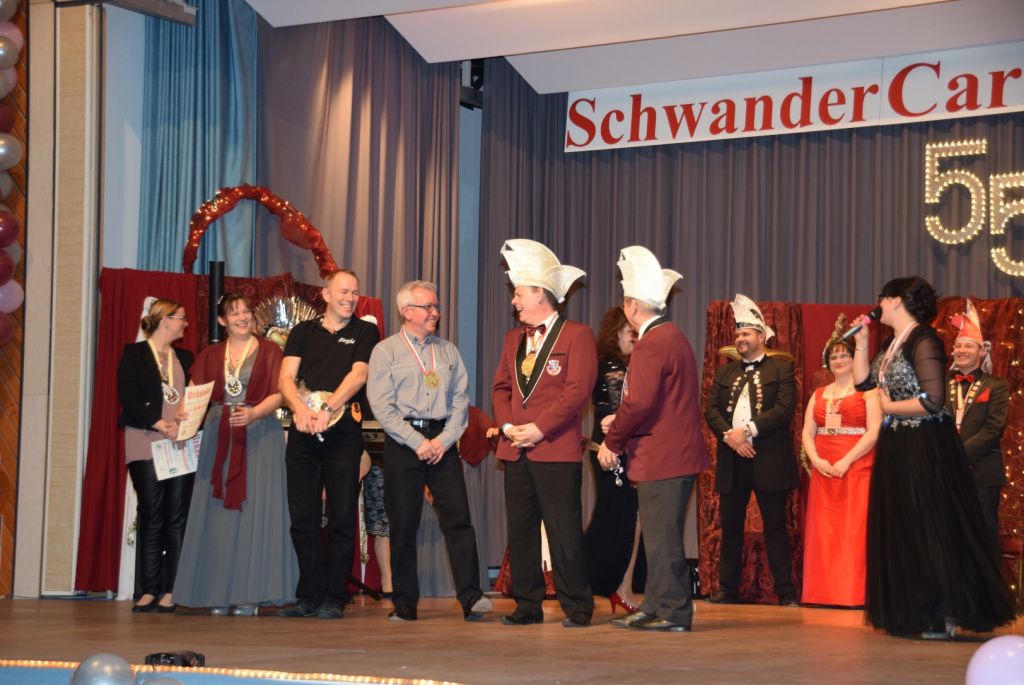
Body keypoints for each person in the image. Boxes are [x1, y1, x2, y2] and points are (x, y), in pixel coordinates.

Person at [853, 276, 1015, 639]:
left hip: (924, 444)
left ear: (896, 300)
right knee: (905, 527)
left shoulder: (923, 338)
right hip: (898, 443)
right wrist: (861, 343)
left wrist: (888, 407)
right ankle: (914, 610)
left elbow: (932, 400)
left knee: (930, 527)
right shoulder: (893, 342)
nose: (878, 304)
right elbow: (865, 384)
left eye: (882, 298)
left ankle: (942, 613)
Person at [598, 246, 710, 632]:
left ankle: (673, 611)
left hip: (663, 455)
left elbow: (639, 401)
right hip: (672, 452)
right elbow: (658, 400)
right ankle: (657, 604)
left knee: (662, 538)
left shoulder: (652, 343)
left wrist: (613, 440)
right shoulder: (672, 336)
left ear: (632, 306)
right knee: (661, 536)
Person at [366, 280, 491, 622]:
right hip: (403, 442)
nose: (435, 312)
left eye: (436, 307)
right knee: (404, 524)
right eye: (428, 307)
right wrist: (417, 442)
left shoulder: (448, 351)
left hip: (442, 443)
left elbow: (461, 401)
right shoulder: (386, 352)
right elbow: (381, 406)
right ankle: (405, 603)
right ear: (406, 311)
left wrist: (443, 441)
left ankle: (471, 597)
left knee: (459, 520)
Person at [491, 239, 597, 628]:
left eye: (519, 293)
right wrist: (507, 427)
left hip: (554, 449)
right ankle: (527, 605)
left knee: (563, 529)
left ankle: (577, 606)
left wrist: (538, 428)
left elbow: (577, 392)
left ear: (540, 293)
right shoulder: (512, 339)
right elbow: (501, 388)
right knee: (521, 531)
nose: (514, 301)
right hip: (515, 448)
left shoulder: (577, 335)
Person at [173, 293, 298, 615]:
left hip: (260, 437)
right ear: (222, 320)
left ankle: (251, 595)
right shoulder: (210, 354)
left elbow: (280, 394)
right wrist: (183, 417)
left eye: (246, 311)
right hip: (220, 437)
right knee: (218, 516)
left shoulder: (270, 351)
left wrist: (254, 413)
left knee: (256, 512)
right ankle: (217, 593)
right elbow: (194, 393)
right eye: (234, 312)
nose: (242, 317)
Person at [278, 269, 380, 619]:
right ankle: (309, 595)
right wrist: (300, 409)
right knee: (302, 517)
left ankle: (336, 596)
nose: (350, 298)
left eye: (355, 293)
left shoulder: (365, 331)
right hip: (304, 431)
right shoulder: (303, 332)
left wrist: (328, 407)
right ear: (326, 294)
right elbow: (286, 378)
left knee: (341, 517)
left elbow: (359, 375)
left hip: (343, 433)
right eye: (343, 292)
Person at [704, 293, 799, 606]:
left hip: (769, 458)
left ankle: (785, 591)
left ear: (761, 336)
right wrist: (732, 438)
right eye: (737, 334)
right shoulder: (725, 372)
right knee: (730, 526)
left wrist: (746, 431)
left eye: (746, 333)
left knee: (775, 526)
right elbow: (711, 410)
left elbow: (784, 410)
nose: (740, 339)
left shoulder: (782, 368)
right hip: (733, 458)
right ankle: (726, 589)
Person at [117, 299, 194, 613]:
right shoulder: (134, 354)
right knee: (151, 514)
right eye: (181, 318)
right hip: (145, 441)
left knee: (176, 517)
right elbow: (128, 397)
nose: (185, 324)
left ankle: (172, 589)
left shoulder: (186, 358)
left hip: (179, 444)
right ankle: (149, 589)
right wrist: (160, 422)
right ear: (165, 320)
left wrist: (182, 424)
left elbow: (194, 398)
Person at [799, 318, 880, 607]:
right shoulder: (819, 394)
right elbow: (807, 432)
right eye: (834, 356)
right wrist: (816, 459)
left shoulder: (869, 391)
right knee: (824, 532)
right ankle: (821, 592)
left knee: (853, 530)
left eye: (845, 354)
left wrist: (846, 461)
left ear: (856, 357)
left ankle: (852, 594)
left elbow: (874, 431)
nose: (839, 360)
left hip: (857, 466)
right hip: (824, 468)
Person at [583, 305, 642, 613]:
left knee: (631, 516)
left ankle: (621, 586)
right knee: (616, 516)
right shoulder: (606, 364)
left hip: (628, 444)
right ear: (615, 331)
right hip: (609, 444)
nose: (634, 336)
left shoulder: (636, 363)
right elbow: (615, 406)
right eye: (629, 331)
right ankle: (601, 581)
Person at [945, 298, 1009, 547]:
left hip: (982, 472)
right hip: (946, 471)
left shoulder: (997, 385)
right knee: (948, 534)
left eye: (968, 346)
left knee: (982, 535)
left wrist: (958, 454)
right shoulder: (941, 386)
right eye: (958, 345)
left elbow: (993, 428)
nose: (961, 350)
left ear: (982, 351)